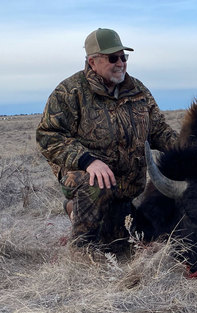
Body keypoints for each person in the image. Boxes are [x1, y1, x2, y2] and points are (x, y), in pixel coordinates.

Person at [37, 28, 177, 250]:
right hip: (89, 179)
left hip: (129, 187)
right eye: (113, 58)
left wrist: (188, 148)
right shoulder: (69, 92)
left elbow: (158, 129)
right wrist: (88, 161)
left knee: (124, 239)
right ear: (92, 62)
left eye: (124, 57)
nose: (121, 63)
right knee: (97, 189)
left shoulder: (138, 91)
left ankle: (77, 210)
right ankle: (82, 247)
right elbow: (48, 135)